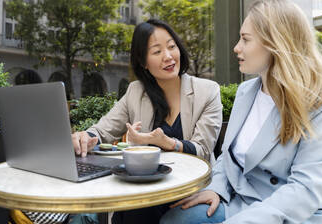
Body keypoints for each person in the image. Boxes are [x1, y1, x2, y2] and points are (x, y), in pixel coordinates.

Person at [160, 0, 322, 224]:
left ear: (276, 43)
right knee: (174, 218)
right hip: (239, 201)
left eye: (246, 39)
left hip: (295, 215)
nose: (236, 47)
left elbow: (305, 190)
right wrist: (217, 188)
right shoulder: (246, 91)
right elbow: (226, 158)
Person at [72, 19, 223, 224]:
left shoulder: (207, 91)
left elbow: (203, 150)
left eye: (171, 46)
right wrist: (86, 136)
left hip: (189, 188)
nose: (168, 56)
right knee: (136, 208)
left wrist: (168, 143)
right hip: (146, 188)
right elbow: (103, 130)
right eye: (157, 51)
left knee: (137, 211)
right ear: (143, 62)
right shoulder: (136, 91)